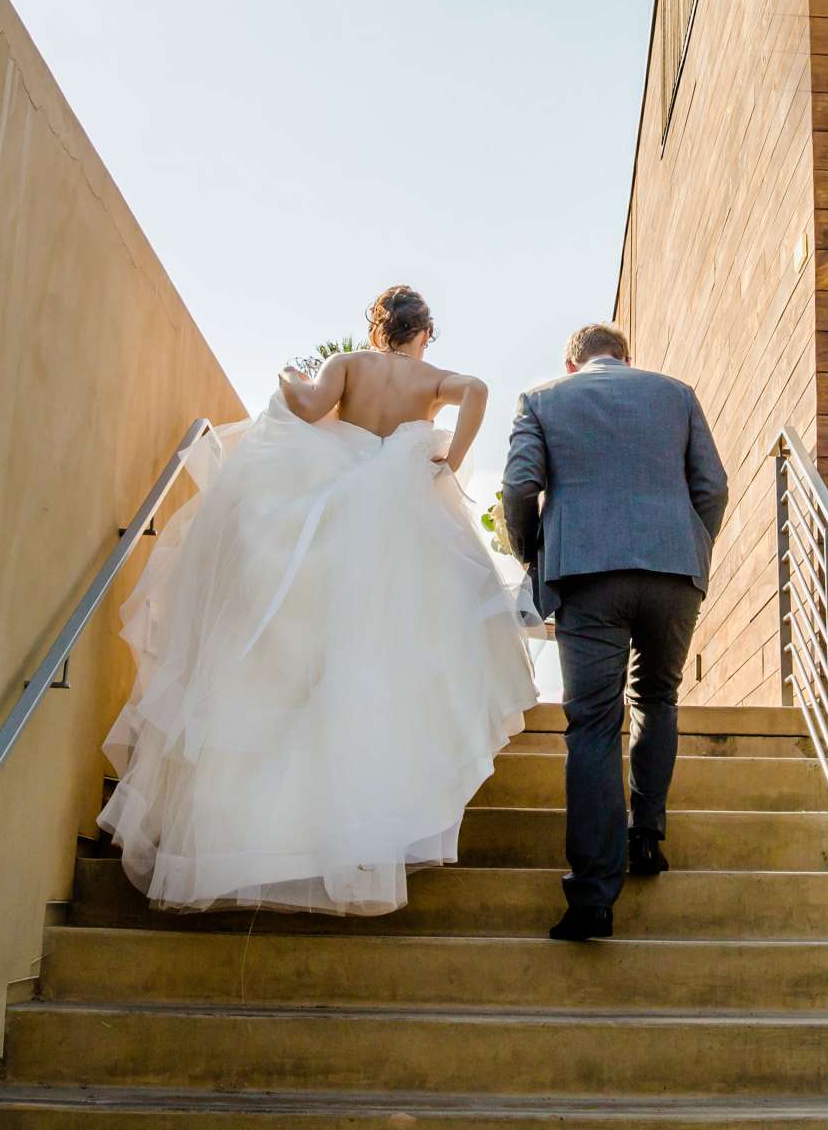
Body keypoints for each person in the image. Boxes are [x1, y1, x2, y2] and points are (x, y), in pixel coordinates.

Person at [98, 285, 537, 915]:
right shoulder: (433, 377)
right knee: (388, 652)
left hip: (338, 514)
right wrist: (449, 458)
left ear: (378, 328)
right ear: (424, 333)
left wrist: (286, 374)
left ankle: (274, 822)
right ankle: (376, 814)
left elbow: (305, 408)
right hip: (398, 523)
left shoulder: (351, 365)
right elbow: (479, 392)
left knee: (307, 649)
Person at [499, 322, 728, 941]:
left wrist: (533, 557)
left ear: (571, 363)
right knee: (656, 697)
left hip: (586, 575)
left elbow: (519, 487)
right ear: (627, 359)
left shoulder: (543, 399)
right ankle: (647, 836)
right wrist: (690, 547)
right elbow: (713, 487)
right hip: (674, 573)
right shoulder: (675, 393)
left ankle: (593, 900)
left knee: (593, 725)